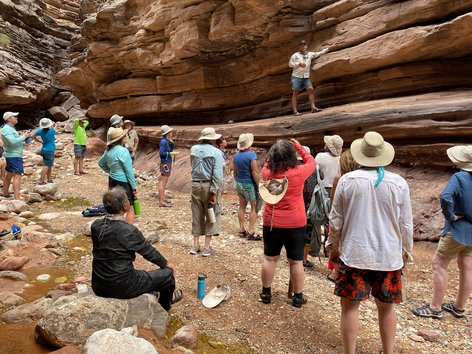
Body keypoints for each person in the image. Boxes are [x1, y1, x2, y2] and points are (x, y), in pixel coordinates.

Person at [328, 131, 413, 354]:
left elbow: (336, 221)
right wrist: (406, 253)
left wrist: (333, 249)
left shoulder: (347, 181)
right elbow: (406, 224)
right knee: (386, 309)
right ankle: (388, 351)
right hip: (388, 256)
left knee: (350, 308)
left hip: (354, 253)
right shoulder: (399, 183)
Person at [91, 187, 181, 311]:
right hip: (122, 286)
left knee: (142, 274)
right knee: (167, 276)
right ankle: (164, 306)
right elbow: (149, 252)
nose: (129, 201)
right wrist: (166, 264)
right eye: (128, 200)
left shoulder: (96, 226)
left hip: (98, 285)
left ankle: (153, 293)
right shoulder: (128, 230)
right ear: (124, 206)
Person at [411, 145, 472, 319]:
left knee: (439, 263)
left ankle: (435, 307)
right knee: (467, 267)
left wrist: (451, 216)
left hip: (458, 230)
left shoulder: (459, 177)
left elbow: (445, 197)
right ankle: (459, 307)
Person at [258, 139, 316, 308]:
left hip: (272, 221)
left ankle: (266, 293)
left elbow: (268, 162)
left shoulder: (267, 173)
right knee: (296, 261)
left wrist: (273, 152)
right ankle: (298, 297)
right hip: (295, 222)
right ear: (291, 157)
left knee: (270, 258)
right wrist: (298, 146)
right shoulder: (299, 173)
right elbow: (311, 161)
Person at [189, 127, 224, 257]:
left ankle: (195, 245)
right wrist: (214, 192)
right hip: (209, 185)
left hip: (195, 184)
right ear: (213, 139)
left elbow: (192, 166)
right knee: (211, 213)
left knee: (196, 213)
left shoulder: (193, 149)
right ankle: (206, 247)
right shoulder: (217, 152)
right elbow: (217, 174)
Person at [326, 149, 359, 282]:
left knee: (335, 241)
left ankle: (336, 272)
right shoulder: (359, 180)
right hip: (353, 216)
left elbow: (333, 198)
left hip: (340, 214)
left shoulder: (339, 178)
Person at [98, 127, 137, 224]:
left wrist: (110, 170)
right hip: (123, 182)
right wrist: (134, 186)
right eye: (124, 136)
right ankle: (129, 230)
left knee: (115, 206)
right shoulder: (124, 151)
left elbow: (100, 163)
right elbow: (129, 171)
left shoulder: (108, 151)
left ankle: (115, 228)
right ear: (121, 139)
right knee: (130, 207)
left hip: (112, 179)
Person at [289, 40, 329, 116]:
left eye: (304, 45)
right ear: (299, 47)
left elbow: (319, 53)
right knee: (295, 93)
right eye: (301, 45)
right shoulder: (295, 55)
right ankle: (295, 111)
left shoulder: (310, 54)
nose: (303, 47)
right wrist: (298, 64)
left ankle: (313, 107)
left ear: (306, 46)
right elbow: (290, 64)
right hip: (296, 76)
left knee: (311, 89)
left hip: (306, 76)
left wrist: (329, 48)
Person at [233, 133, 261, 240]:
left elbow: (234, 172)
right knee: (254, 207)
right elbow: (254, 172)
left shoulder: (236, 156)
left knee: (242, 206)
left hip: (239, 182)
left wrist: (238, 181)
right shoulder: (251, 155)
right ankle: (251, 230)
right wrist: (258, 185)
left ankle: (241, 229)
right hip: (249, 184)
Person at [2, 111, 31, 199]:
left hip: (12, 155)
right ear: (9, 119)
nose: (16, 118)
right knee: (17, 175)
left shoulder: (10, 128)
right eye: (14, 116)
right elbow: (12, 142)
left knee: (9, 174)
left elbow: (15, 141)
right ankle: (17, 199)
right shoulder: (7, 129)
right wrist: (24, 136)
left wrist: (24, 139)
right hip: (14, 156)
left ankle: (5, 193)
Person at [158, 125, 177, 207]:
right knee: (163, 181)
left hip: (167, 162)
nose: (171, 133)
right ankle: (161, 201)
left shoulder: (166, 141)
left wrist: (172, 144)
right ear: (167, 133)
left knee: (164, 181)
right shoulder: (163, 142)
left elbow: (169, 150)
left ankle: (163, 198)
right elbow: (161, 153)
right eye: (170, 132)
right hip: (165, 163)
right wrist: (170, 153)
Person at [33, 118, 56, 184]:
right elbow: (56, 132)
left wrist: (39, 141)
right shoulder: (51, 131)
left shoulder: (40, 131)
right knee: (46, 165)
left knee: (49, 165)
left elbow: (32, 136)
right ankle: (41, 180)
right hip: (50, 150)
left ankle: (49, 179)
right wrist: (53, 126)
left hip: (44, 149)